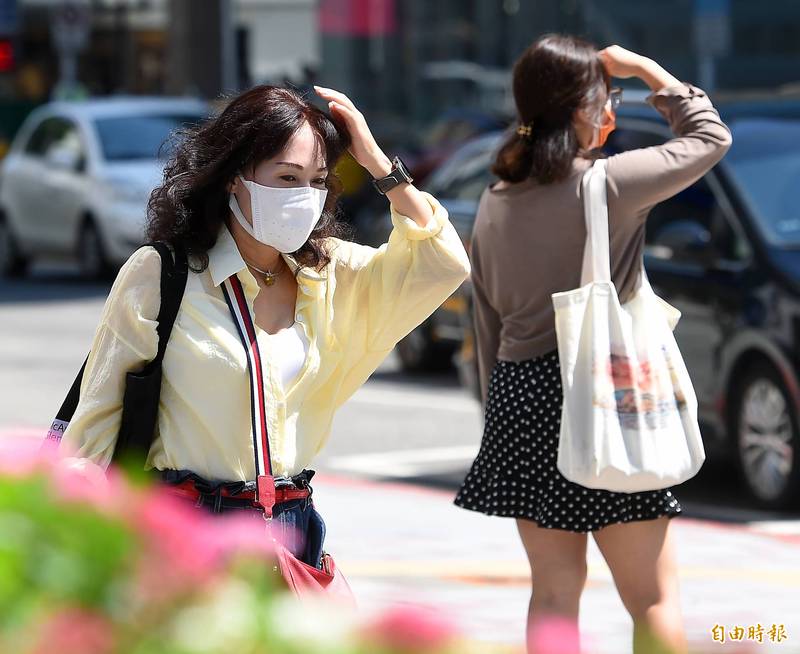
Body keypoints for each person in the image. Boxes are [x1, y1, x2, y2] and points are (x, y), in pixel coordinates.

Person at [57, 84, 470, 569]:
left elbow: (444, 265)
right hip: (187, 526)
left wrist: (380, 165)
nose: (305, 197)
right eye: (287, 177)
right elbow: (97, 419)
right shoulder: (162, 274)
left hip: (294, 527)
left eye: (318, 180)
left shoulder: (330, 272)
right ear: (235, 176)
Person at [454, 35, 732, 653]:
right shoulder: (608, 185)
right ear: (583, 107)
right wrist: (645, 66)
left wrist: (495, 413)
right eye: (606, 97)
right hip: (607, 393)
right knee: (652, 595)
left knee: (553, 592)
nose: (610, 111)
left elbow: (488, 321)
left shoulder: (495, 199)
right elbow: (711, 139)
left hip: (522, 399)